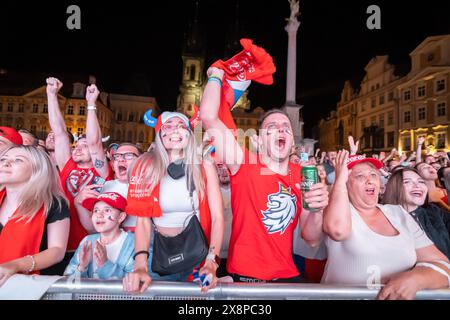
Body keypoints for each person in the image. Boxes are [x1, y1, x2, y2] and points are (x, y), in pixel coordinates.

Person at [200, 66, 328, 282]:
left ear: (292, 141)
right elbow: (209, 117)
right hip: (246, 277)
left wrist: (317, 209)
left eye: (286, 127)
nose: (281, 129)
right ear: (258, 141)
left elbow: (312, 239)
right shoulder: (244, 162)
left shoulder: (304, 175)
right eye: (272, 126)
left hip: (287, 276)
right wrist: (216, 75)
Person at [322, 150, 450, 300]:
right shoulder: (335, 210)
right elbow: (338, 231)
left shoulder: (399, 213)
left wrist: (416, 279)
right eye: (360, 176)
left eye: (373, 174)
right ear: (345, 184)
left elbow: (443, 265)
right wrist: (339, 179)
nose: (369, 180)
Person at [123, 111, 224, 294]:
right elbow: (143, 222)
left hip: (198, 254)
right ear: (160, 135)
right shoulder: (145, 166)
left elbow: (217, 217)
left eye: (181, 126)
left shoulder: (204, 165)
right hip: (157, 254)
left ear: (190, 134)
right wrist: (140, 266)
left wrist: (211, 262)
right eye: (168, 127)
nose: (174, 131)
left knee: (196, 303)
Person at [46, 77, 113, 268]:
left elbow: (94, 143)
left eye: (84, 146)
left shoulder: (101, 171)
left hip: (90, 246)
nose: (78, 148)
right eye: (76, 145)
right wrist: (51, 95)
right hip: (61, 246)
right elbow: (59, 132)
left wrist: (91, 104)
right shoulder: (67, 167)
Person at [73, 87, 141, 233]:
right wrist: (91, 104)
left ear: (140, 162)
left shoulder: (149, 185)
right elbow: (94, 144)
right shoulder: (105, 185)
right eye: (117, 156)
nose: (121, 159)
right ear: (113, 163)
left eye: (128, 156)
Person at [0, 146, 70, 285]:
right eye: (3, 159)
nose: (5, 163)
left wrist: (16, 265)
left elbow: (56, 251)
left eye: (18, 160)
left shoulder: (54, 203)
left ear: (38, 169)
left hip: (31, 286)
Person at [383, 167, 450, 259]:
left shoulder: (433, 211)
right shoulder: (385, 220)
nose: (417, 185)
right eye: (407, 181)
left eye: (421, 181)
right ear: (394, 187)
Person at [64, 192, 134, 279]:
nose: (99, 215)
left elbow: (138, 284)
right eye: (96, 210)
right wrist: (82, 267)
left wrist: (105, 264)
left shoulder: (134, 243)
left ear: (121, 217)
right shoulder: (87, 241)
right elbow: (66, 283)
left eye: (107, 210)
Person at [216, 162, 232, 277]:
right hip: (215, 256)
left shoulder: (241, 191)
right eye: (220, 167)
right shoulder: (210, 194)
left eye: (227, 168)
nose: (224, 171)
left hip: (235, 255)